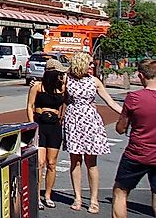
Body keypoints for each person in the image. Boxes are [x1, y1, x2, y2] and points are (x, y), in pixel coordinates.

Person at [63, 51, 123, 213]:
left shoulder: (95, 81)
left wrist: (128, 114)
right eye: (89, 63)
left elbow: (110, 102)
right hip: (73, 120)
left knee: (91, 162)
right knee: (75, 160)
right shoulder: (67, 79)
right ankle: (77, 198)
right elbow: (56, 93)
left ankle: (94, 199)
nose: (92, 66)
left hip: (90, 121)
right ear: (80, 64)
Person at [112, 59, 156, 218]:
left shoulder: (134, 97)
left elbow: (120, 128)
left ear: (141, 76)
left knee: (120, 191)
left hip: (137, 153)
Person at [27, 59, 67, 209]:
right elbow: (30, 106)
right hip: (40, 124)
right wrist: (32, 125)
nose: (61, 76)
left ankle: (48, 195)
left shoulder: (62, 87)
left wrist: (62, 118)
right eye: (59, 74)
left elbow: (67, 101)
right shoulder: (37, 86)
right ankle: (36, 196)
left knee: (52, 163)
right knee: (40, 163)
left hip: (54, 126)